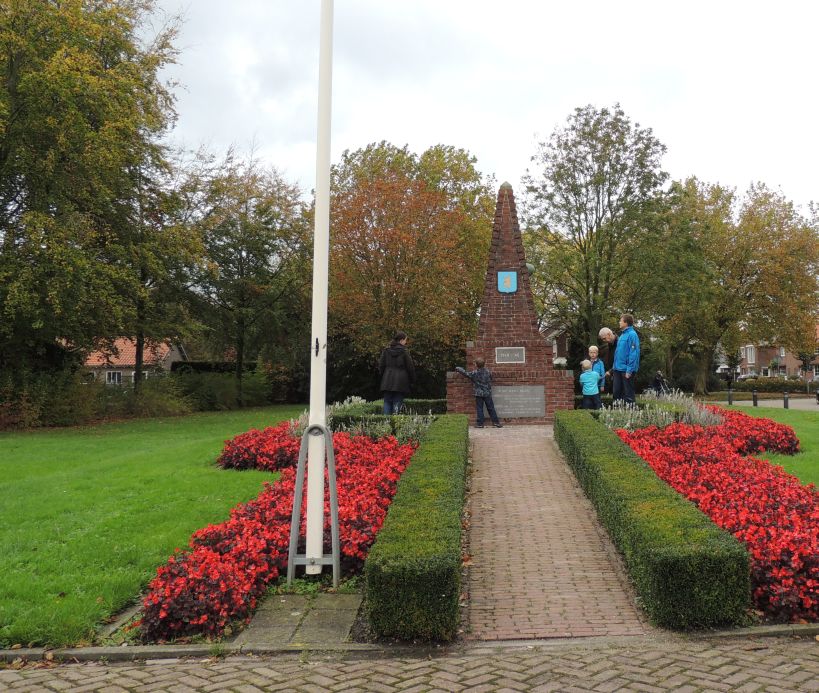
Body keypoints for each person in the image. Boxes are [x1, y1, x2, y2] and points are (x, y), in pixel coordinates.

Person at [455, 357, 503, 428]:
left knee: (479, 408)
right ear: (484, 364)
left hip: (479, 393)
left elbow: (466, 374)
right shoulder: (488, 372)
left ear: (476, 365)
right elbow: (491, 379)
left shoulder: (475, 373)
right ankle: (496, 422)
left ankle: (480, 424)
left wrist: (459, 369)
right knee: (491, 408)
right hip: (487, 393)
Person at [378, 331, 415, 415]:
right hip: (400, 381)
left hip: (387, 380)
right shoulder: (404, 351)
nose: (406, 342)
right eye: (405, 340)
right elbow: (410, 368)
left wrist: (384, 377)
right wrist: (412, 380)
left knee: (387, 402)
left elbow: (381, 366)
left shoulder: (386, 350)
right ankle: (394, 425)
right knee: (397, 402)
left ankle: (386, 424)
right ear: (401, 340)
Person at [611, 314, 640, 405]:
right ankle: (617, 413)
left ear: (626, 323)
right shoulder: (622, 335)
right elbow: (618, 353)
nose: (619, 322)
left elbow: (633, 353)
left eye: (621, 320)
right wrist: (614, 368)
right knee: (616, 393)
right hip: (617, 369)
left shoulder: (632, 334)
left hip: (626, 370)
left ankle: (631, 414)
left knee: (628, 394)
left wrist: (629, 370)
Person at [598, 327, 618, 392]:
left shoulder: (620, 343)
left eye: (604, 338)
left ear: (609, 334)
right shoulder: (610, 344)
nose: (604, 341)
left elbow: (620, 361)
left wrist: (610, 371)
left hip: (621, 372)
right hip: (614, 373)